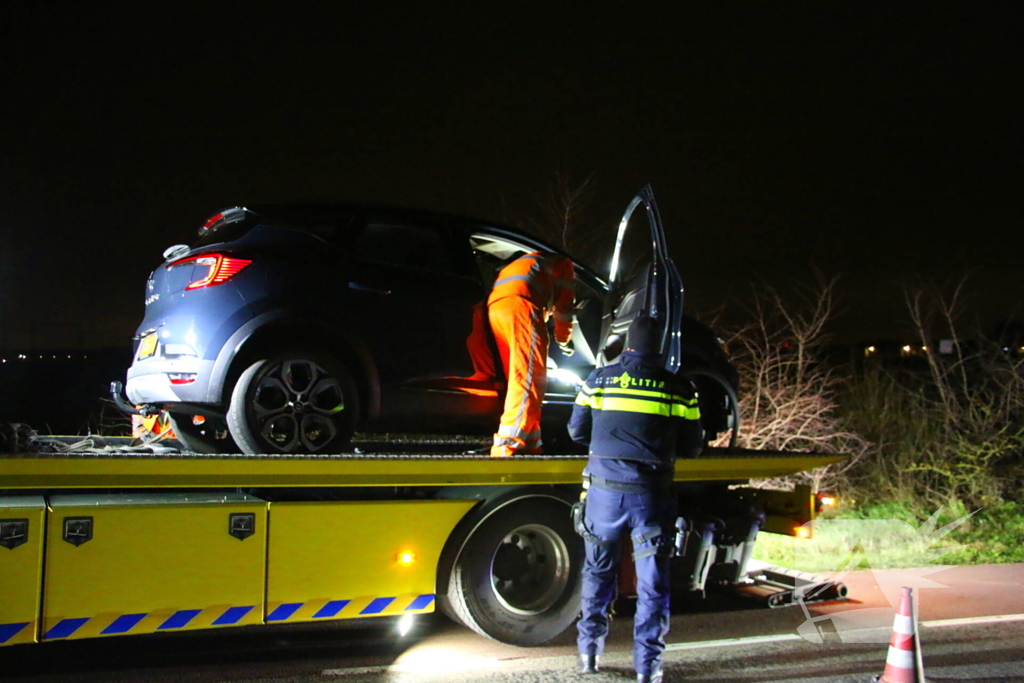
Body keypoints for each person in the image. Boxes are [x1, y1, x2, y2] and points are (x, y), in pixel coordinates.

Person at [569, 314, 703, 683]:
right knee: (652, 586)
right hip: (651, 499)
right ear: (660, 347)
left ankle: (589, 655)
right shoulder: (679, 388)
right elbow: (693, 447)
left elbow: (576, 431)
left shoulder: (599, 380)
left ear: (627, 343)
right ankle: (648, 668)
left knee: (597, 574)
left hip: (604, 496)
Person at [487, 251, 575, 457]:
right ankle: (509, 445)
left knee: (517, 376)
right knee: (529, 378)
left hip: (497, 307)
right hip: (523, 305)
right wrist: (563, 340)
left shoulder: (527, 261)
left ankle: (531, 442)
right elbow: (564, 306)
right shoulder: (564, 264)